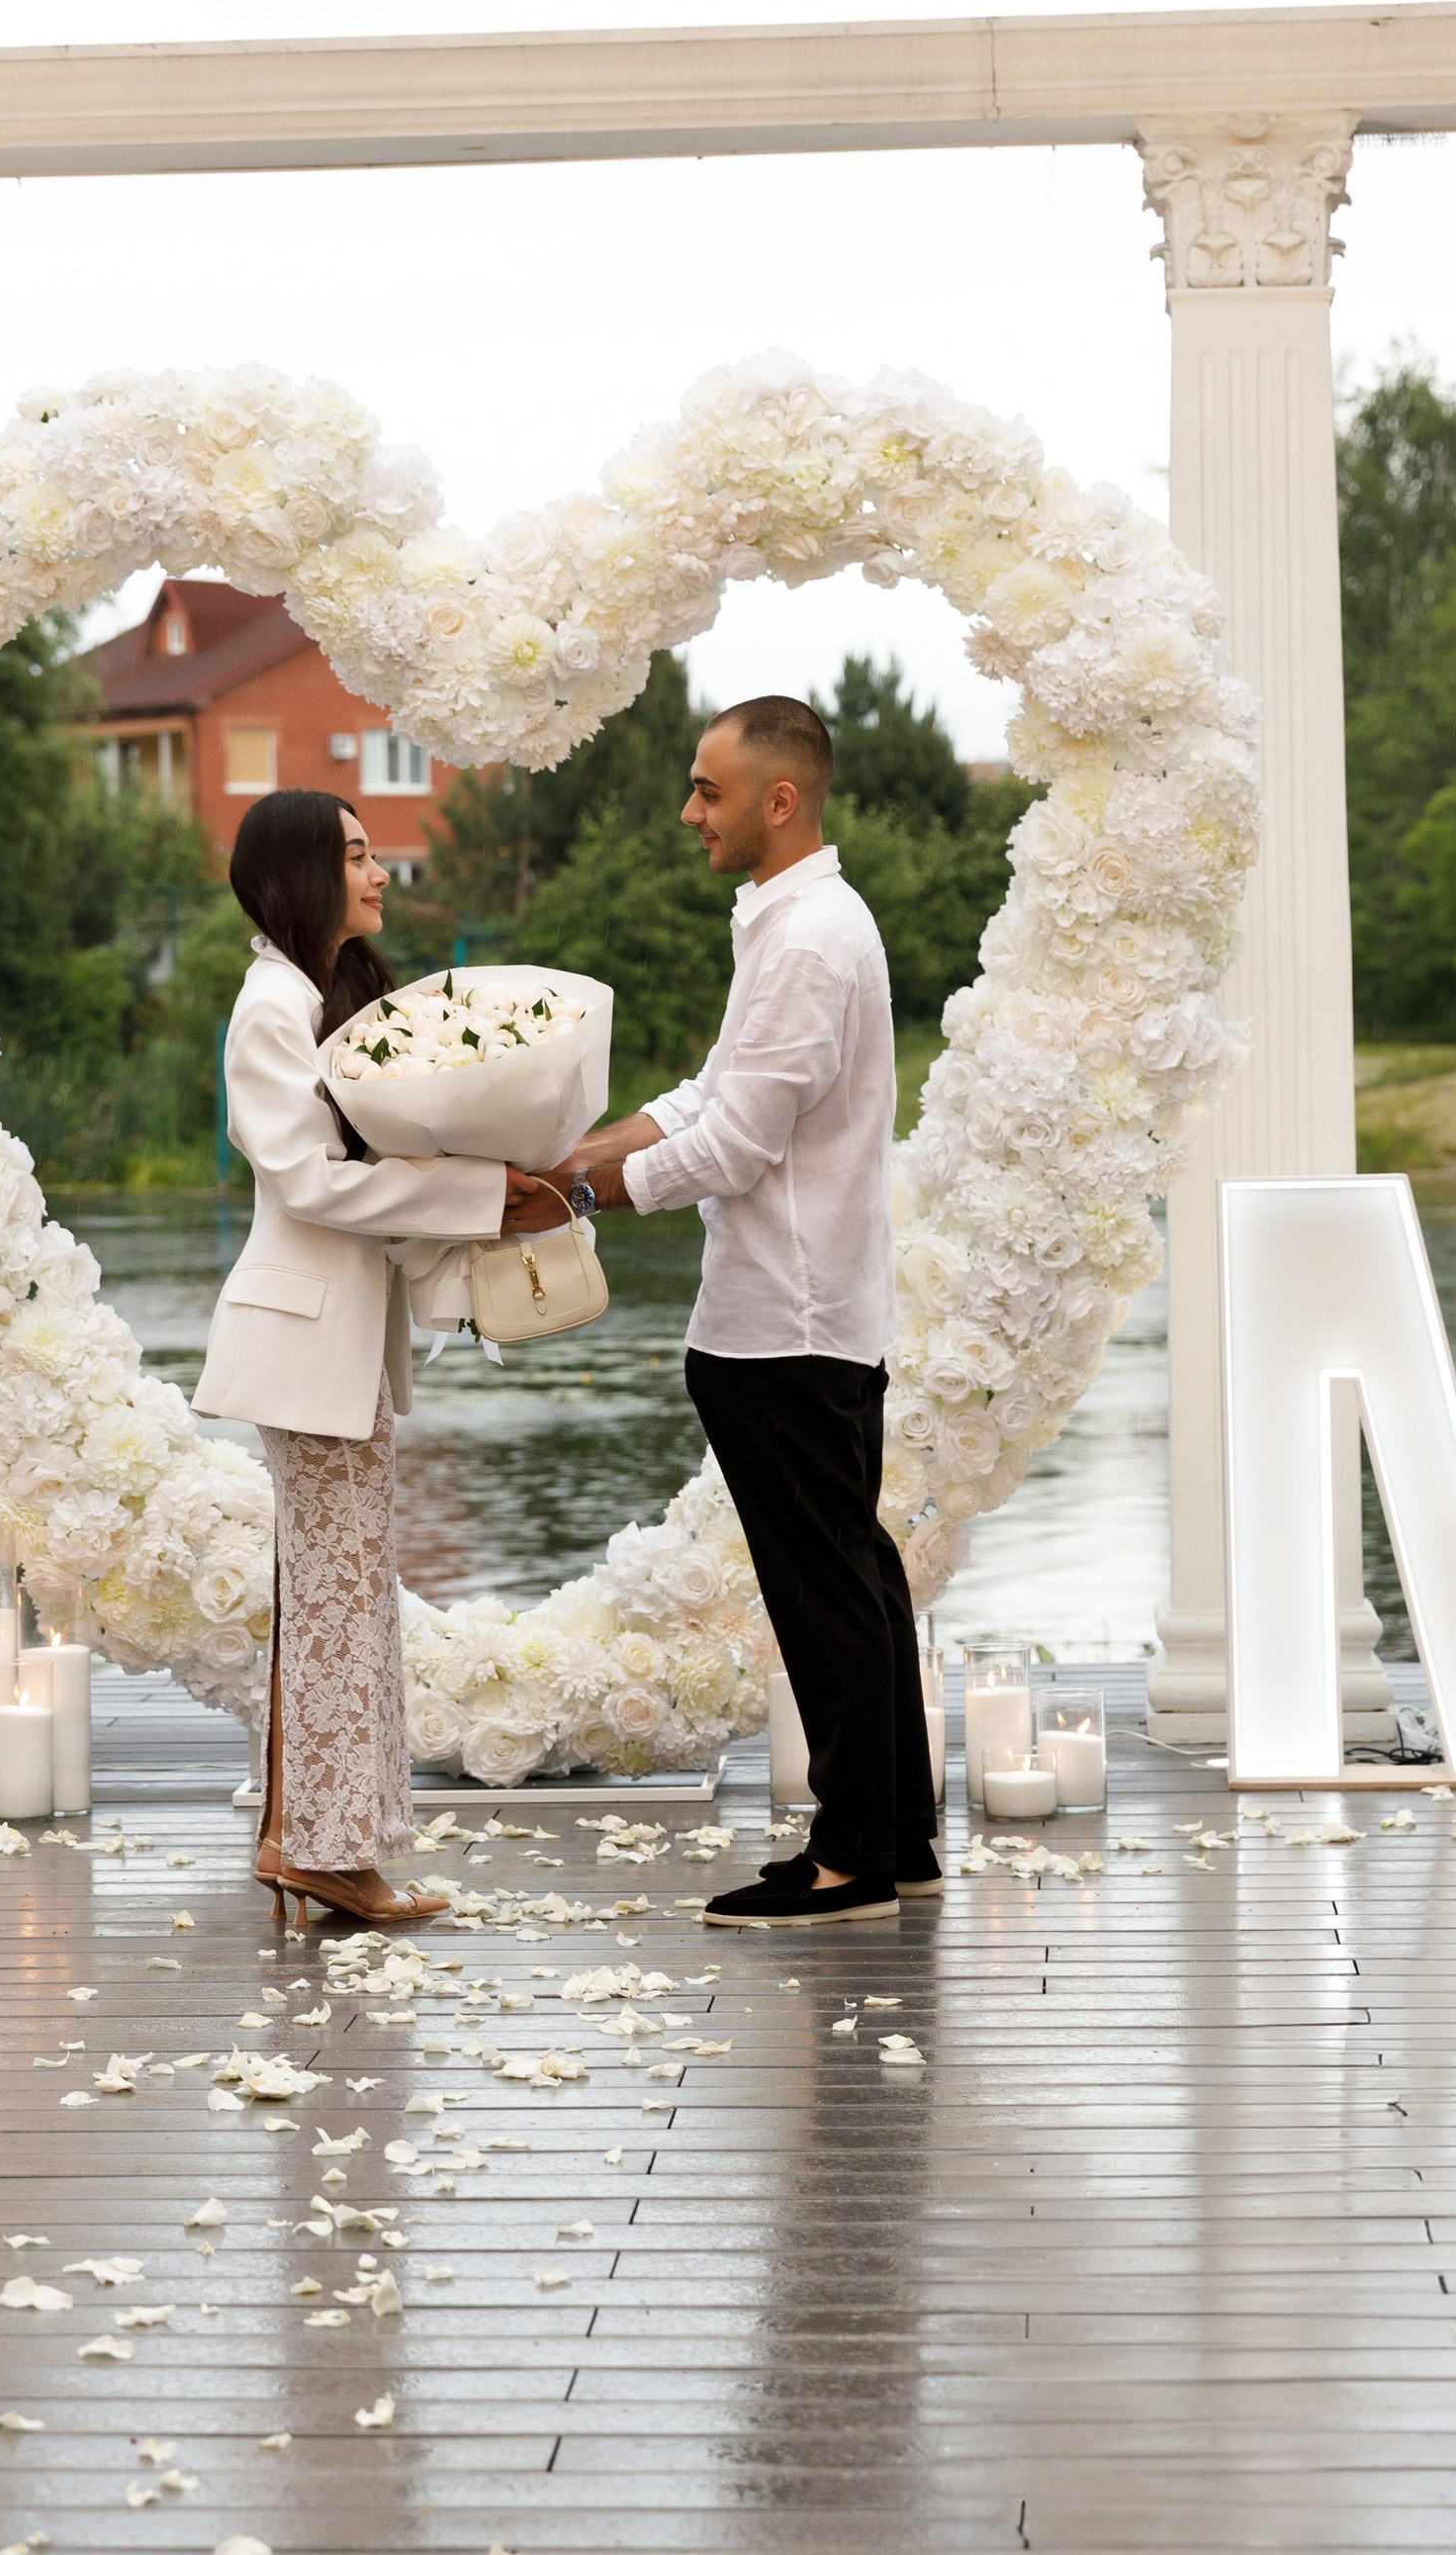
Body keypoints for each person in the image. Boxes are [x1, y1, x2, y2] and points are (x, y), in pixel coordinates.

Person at [559, 695, 935, 1931]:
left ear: (781, 799)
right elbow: (710, 1093)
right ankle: (895, 1838)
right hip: (807, 1313)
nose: (688, 812)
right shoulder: (796, 923)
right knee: (854, 1575)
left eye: (707, 790)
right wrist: (576, 1149)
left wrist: (572, 1194)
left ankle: (852, 1860)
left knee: (825, 1590)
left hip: (788, 1319)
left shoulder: (811, 938)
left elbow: (731, 1146)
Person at [195, 787, 566, 1928]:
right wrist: (475, 1196)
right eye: (356, 855)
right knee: (333, 1598)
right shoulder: (271, 1009)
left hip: (344, 1349)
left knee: (347, 1596)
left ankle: (319, 1841)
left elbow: (365, 1178)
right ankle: (319, 1849)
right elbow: (310, 1182)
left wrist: (491, 1194)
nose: (378, 872)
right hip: (303, 1345)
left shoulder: (327, 1000)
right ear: (303, 873)